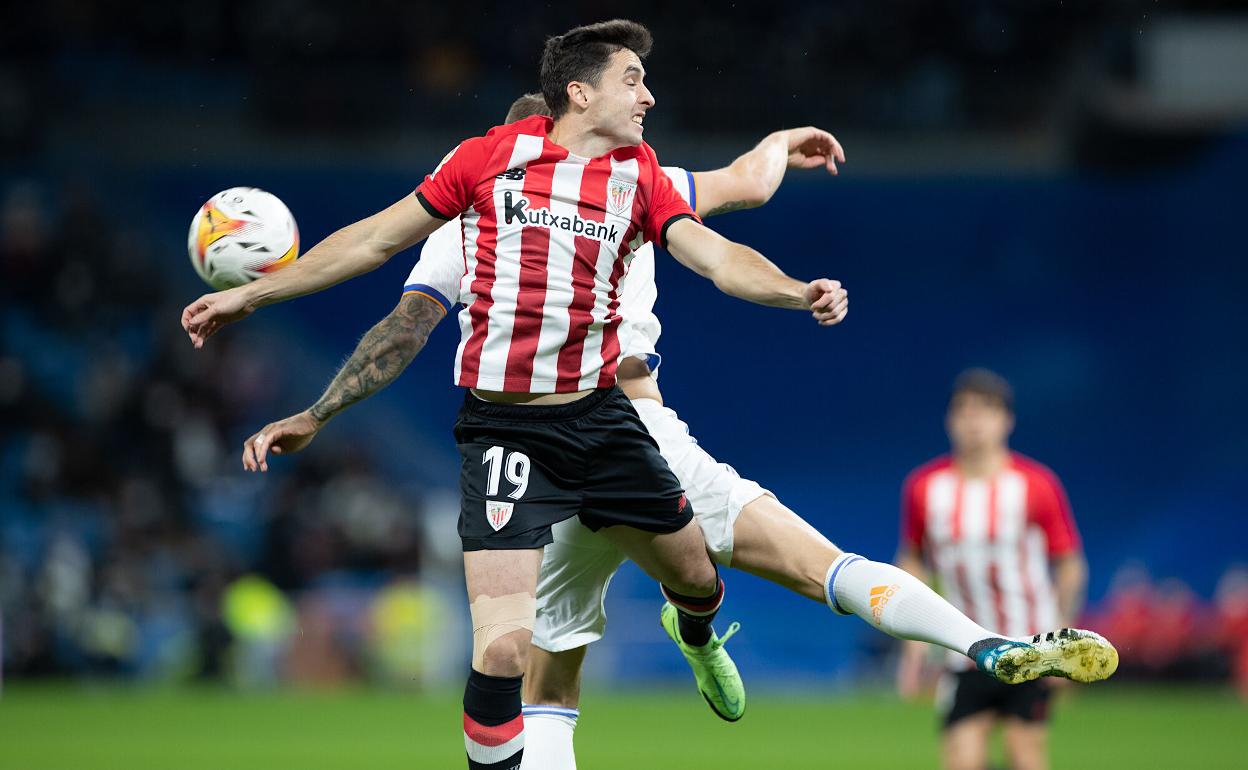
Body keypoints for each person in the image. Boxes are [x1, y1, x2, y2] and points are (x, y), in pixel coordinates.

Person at [182, 20, 848, 770]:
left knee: (697, 579)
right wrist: (255, 302)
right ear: (579, 91)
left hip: (603, 420)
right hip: (504, 434)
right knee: (503, 649)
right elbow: (373, 242)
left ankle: (694, 635)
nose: (648, 95)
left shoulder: (642, 176)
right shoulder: (485, 164)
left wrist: (797, 292)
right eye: (633, 79)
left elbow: (719, 256)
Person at [895, 369, 1093, 770]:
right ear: (950, 420)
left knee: (1026, 755)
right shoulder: (924, 488)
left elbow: (1070, 566)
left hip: (1031, 645)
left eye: (985, 411)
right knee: (962, 760)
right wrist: (913, 646)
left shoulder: (1036, 484)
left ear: (1007, 420)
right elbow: (911, 559)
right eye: (963, 411)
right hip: (962, 650)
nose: (973, 422)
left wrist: (1062, 643)